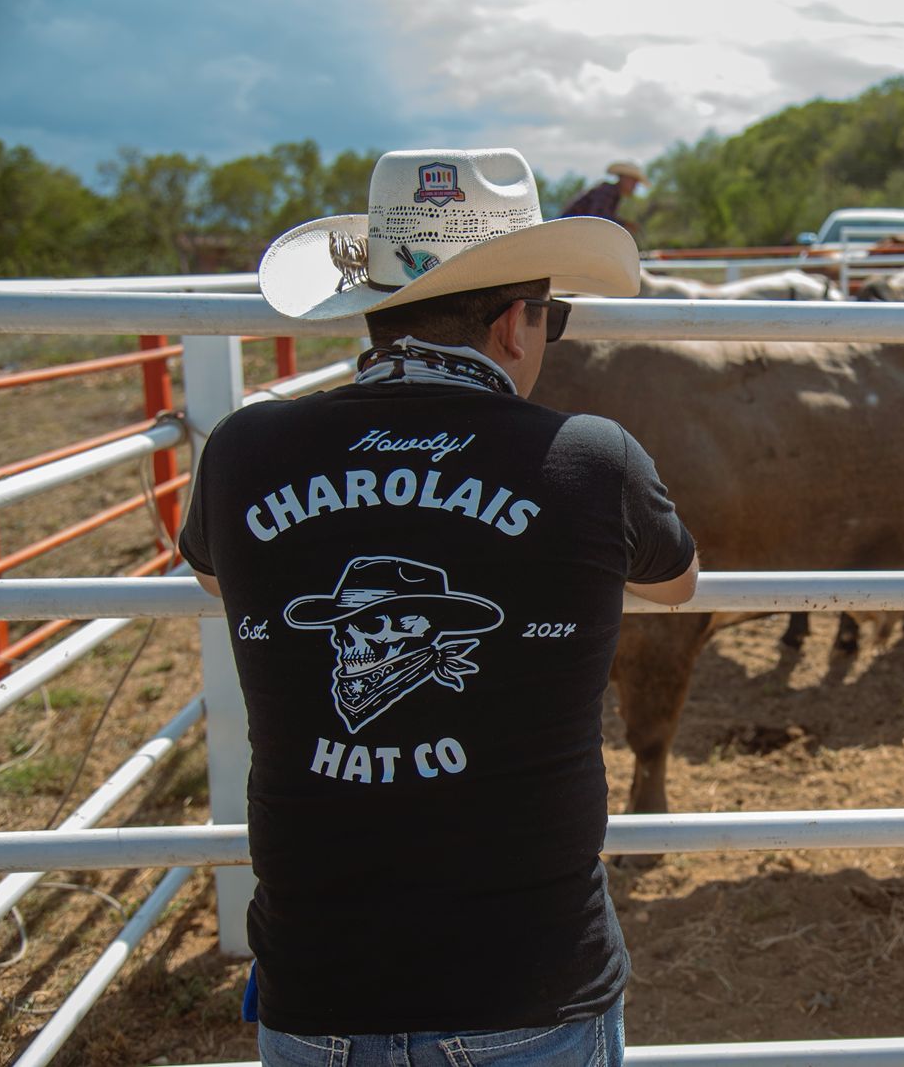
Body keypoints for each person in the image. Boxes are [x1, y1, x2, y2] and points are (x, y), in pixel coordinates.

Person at [183, 147, 699, 1065]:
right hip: (530, 982)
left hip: (316, 986)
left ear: (373, 314)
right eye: (555, 318)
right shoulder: (588, 457)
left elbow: (223, 578)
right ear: (514, 325)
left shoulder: (244, 448)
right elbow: (675, 582)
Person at [562, 159, 648, 233]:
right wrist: (623, 224)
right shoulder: (607, 191)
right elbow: (598, 219)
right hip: (568, 229)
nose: (635, 186)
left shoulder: (612, 193)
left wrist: (624, 224)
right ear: (624, 178)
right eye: (634, 182)